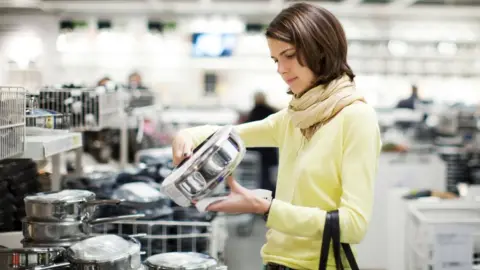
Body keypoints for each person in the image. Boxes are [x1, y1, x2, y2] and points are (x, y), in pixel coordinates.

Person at [171, 2, 382, 270]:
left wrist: (267, 208)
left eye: (289, 55)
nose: (281, 69)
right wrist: (188, 134)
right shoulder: (294, 117)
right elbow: (233, 135)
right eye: (275, 59)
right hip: (273, 262)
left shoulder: (356, 118)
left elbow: (354, 225)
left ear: (321, 49)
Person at [245, 92, 279, 197]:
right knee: (267, 176)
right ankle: (270, 196)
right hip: (269, 151)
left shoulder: (253, 112)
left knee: (259, 176)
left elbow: (249, 130)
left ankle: (261, 196)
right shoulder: (271, 111)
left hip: (257, 151)